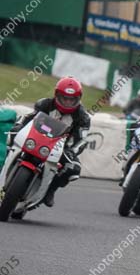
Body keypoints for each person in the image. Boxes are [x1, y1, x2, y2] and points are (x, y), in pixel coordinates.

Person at [8, 77, 90, 207]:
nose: (68, 102)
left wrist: (71, 151)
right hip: (35, 138)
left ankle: (50, 190)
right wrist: (18, 126)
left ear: (78, 99)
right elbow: (28, 117)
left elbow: (81, 140)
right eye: (64, 98)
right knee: (12, 137)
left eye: (72, 99)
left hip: (60, 146)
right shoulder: (45, 104)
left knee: (73, 168)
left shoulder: (83, 117)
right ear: (56, 95)